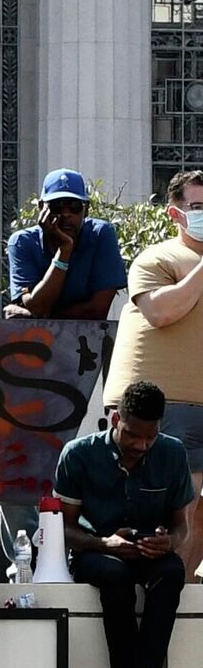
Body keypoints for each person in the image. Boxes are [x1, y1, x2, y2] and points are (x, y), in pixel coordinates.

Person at [55, 381, 194, 668]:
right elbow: (62, 529)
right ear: (116, 419)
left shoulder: (173, 453)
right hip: (95, 551)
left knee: (172, 573)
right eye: (133, 435)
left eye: (151, 437)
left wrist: (169, 542)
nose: (141, 445)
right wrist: (104, 543)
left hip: (150, 553)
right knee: (114, 576)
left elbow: (182, 527)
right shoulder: (78, 454)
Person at [100, 169, 203, 579]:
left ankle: (182, 593)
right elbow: (160, 312)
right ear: (175, 214)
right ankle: (160, 592)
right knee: (179, 507)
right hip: (166, 409)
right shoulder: (158, 259)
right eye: (198, 207)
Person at [5, 168, 127, 321]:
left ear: (86, 210)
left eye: (74, 206)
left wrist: (32, 315)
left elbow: (98, 310)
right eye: (57, 206)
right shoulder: (22, 242)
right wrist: (64, 251)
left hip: (85, 336)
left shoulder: (100, 234)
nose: (66, 214)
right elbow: (39, 308)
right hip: (36, 336)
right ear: (41, 207)